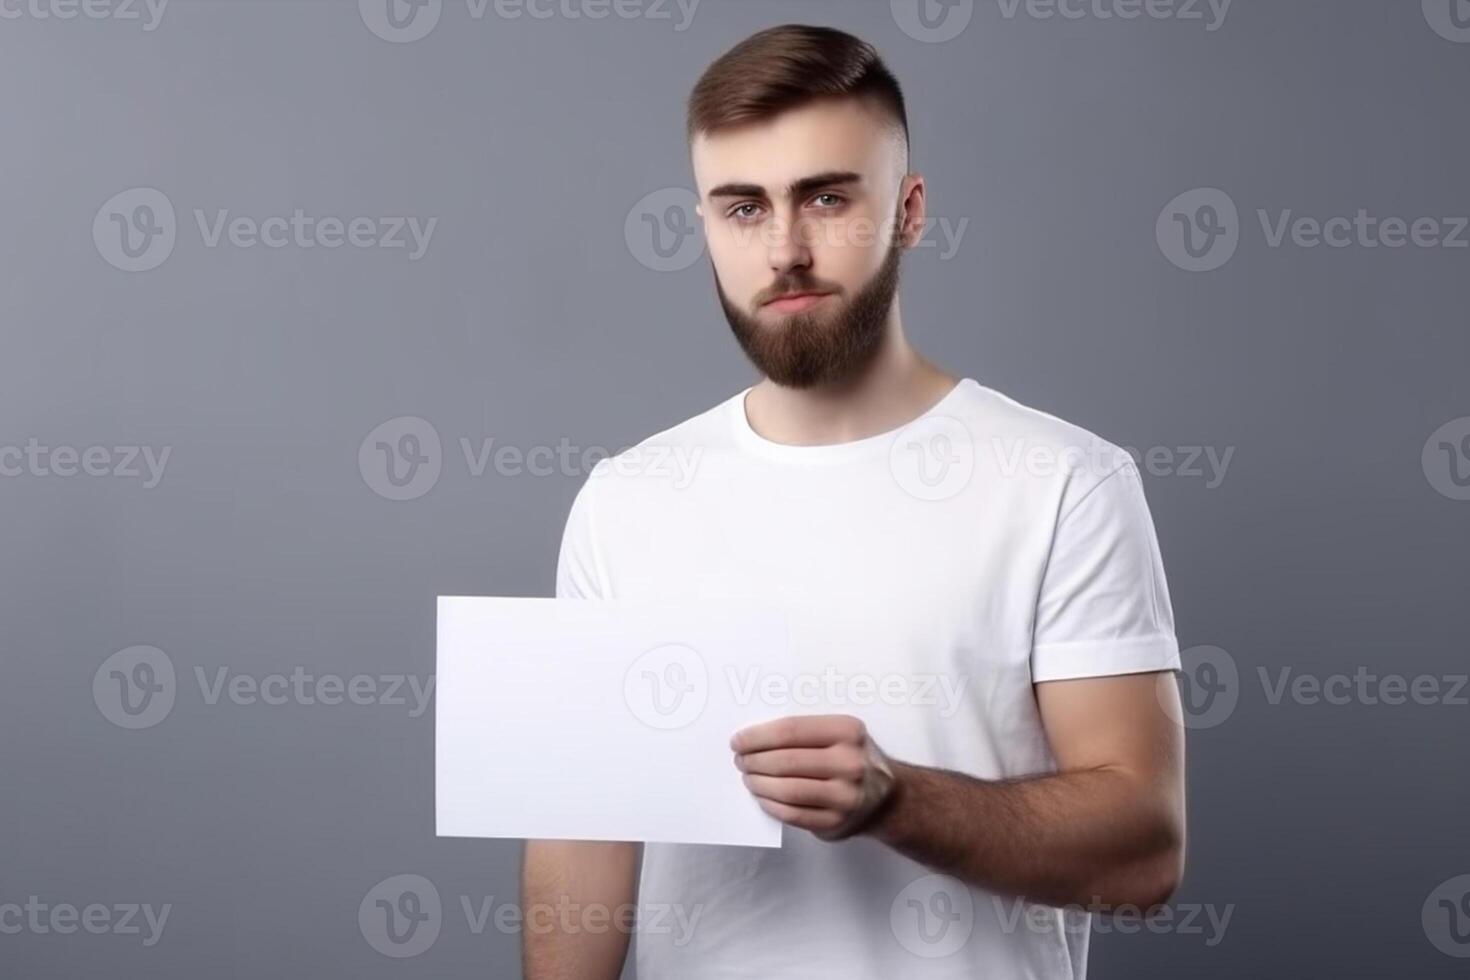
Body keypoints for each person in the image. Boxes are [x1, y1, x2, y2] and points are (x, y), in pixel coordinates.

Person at [523, 23, 1186, 980]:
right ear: (704, 225)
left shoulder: (1065, 484)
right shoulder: (627, 500)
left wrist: (896, 802)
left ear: (910, 211)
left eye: (827, 197)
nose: (785, 249)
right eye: (742, 208)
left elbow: (1144, 854)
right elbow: (583, 843)